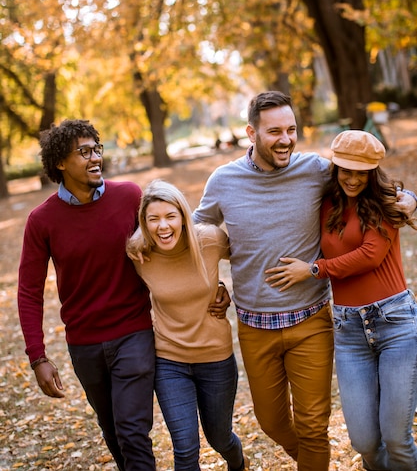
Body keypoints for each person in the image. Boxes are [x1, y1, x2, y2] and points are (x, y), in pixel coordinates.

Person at [192, 91, 417, 471]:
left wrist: (409, 198)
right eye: (274, 131)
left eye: (292, 129)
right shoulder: (224, 180)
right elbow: (198, 227)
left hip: (313, 319)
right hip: (255, 322)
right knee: (273, 423)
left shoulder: (315, 170)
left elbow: (370, 181)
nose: (285, 139)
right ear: (251, 133)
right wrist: (216, 275)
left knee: (315, 427)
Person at [17, 119, 230, 471]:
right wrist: (37, 356)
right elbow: (28, 291)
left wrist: (214, 285)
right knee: (113, 431)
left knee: (132, 430)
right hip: (83, 343)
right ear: (59, 162)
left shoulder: (129, 196)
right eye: (83, 152)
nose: (95, 157)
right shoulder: (42, 221)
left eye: (96, 148)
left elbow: (171, 244)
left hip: (133, 333)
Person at [267, 129, 417, 471]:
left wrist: (314, 269)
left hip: (395, 323)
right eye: (345, 169)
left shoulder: (385, 202)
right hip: (349, 330)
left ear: (372, 171)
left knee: (397, 438)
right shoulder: (327, 203)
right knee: (364, 442)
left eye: (360, 171)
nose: (352, 178)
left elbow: (369, 256)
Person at [126, 179, 249, 471]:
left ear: (183, 215)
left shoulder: (208, 239)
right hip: (170, 361)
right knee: (184, 446)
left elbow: (249, 260)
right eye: (153, 219)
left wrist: (226, 290)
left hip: (216, 359)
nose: (163, 226)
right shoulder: (138, 252)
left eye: (170, 216)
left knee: (219, 438)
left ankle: (237, 463)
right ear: (144, 222)